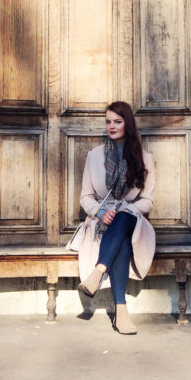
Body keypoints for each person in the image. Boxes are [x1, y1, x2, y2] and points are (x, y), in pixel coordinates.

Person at [76, 101, 155, 335]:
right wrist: (101, 212)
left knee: (123, 217)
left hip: (132, 218)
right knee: (121, 240)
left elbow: (147, 200)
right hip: (103, 220)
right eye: (108, 122)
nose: (111, 126)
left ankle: (99, 270)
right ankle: (121, 311)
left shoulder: (144, 158)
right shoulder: (95, 156)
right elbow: (85, 197)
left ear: (127, 123)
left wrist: (127, 210)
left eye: (117, 122)